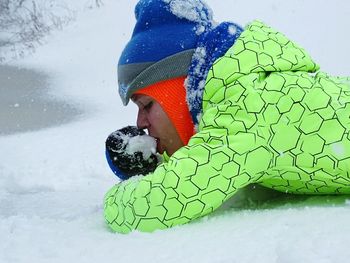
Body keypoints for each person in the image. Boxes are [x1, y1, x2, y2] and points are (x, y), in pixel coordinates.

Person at [104, 0, 350, 234]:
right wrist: (152, 164)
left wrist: (115, 199)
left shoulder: (246, 108)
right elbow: (210, 162)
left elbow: (160, 202)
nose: (140, 123)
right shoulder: (245, 94)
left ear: (179, 87)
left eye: (146, 104)